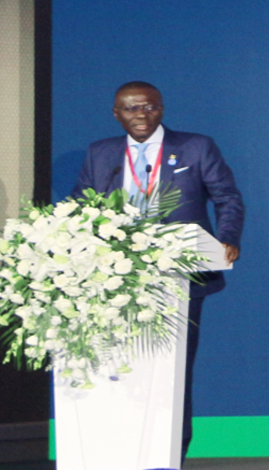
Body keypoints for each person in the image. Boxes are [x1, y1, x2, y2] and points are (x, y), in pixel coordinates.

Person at [70, 81, 244, 454]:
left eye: (149, 107)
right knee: (122, 367)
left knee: (172, 368)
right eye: (131, 108)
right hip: (115, 277)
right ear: (116, 114)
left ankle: (169, 452)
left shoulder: (195, 147)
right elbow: (80, 205)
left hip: (180, 274)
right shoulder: (101, 153)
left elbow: (227, 197)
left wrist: (227, 238)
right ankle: (123, 448)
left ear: (161, 109)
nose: (141, 115)